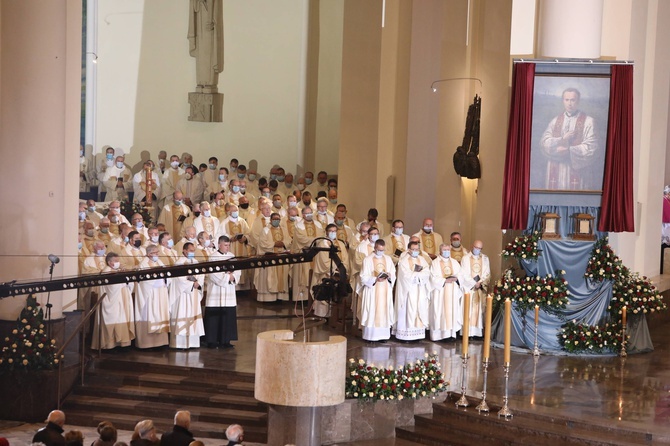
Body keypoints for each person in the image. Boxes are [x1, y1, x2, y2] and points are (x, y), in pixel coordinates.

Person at [540, 87, 599, 190]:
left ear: (578, 101)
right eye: (566, 100)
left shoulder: (588, 121)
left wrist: (569, 151)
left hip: (578, 170)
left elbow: (591, 147)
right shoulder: (555, 121)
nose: (569, 103)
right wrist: (561, 139)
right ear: (563, 101)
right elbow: (544, 142)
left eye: (573, 100)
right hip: (556, 169)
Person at [91, 253, 136, 350]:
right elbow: (112, 287)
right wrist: (123, 279)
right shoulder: (106, 272)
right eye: (115, 261)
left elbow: (128, 283)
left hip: (121, 300)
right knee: (114, 320)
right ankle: (110, 345)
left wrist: (125, 277)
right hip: (111, 301)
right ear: (109, 262)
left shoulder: (116, 271)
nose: (118, 263)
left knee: (122, 319)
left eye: (118, 260)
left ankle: (121, 344)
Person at [205, 236, 241, 348]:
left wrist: (232, 276)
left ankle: (226, 340)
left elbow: (238, 271)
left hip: (229, 291)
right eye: (225, 245)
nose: (227, 247)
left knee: (228, 315)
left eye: (228, 245)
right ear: (219, 244)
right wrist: (227, 277)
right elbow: (213, 274)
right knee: (214, 316)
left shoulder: (232, 257)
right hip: (216, 291)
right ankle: (212, 341)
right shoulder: (213, 257)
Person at [168, 243, 205, 349]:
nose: (192, 253)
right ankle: (180, 344)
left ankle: (193, 343)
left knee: (193, 317)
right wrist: (191, 284)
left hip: (194, 293)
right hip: (183, 296)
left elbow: (201, 275)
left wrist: (199, 283)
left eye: (193, 250)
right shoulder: (179, 263)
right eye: (190, 250)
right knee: (182, 315)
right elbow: (179, 279)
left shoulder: (196, 262)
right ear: (184, 251)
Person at [358, 239, 396, 342]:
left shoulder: (388, 259)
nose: (381, 252)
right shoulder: (367, 260)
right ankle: (370, 336)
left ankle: (383, 336)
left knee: (384, 311)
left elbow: (393, 273)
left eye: (383, 250)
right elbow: (363, 277)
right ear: (375, 248)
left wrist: (389, 276)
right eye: (379, 249)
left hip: (385, 289)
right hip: (372, 290)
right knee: (372, 310)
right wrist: (375, 279)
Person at [393, 240, 431, 341]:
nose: (415, 251)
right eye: (413, 249)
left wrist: (417, 275)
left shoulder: (422, 259)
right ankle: (405, 335)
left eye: (417, 249)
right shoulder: (404, 260)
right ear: (409, 250)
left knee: (419, 309)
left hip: (419, 288)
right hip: (408, 290)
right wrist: (417, 275)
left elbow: (427, 272)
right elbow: (404, 275)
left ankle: (417, 335)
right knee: (407, 309)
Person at [134, 245, 170, 349]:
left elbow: (167, 275)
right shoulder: (143, 264)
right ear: (149, 254)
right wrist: (155, 279)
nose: (157, 255)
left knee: (160, 314)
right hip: (149, 295)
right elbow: (143, 282)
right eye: (155, 253)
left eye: (158, 252)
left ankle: (161, 342)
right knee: (149, 314)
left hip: (160, 294)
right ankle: (147, 344)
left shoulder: (160, 262)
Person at [429, 243, 464, 341]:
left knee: (451, 311)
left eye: (448, 249)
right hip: (440, 292)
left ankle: (450, 334)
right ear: (440, 251)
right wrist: (444, 281)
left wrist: (456, 279)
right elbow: (433, 277)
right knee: (440, 312)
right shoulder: (435, 263)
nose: (446, 251)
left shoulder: (454, 262)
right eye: (444, 250)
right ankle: (439, 336)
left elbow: (461, 275)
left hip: (452, 292)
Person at [188, 0, 223, 90]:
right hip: (199, 17)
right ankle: (200, 81)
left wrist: (212, 19)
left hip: (209, 20)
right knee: (201, 51)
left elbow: (216, 5)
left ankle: (210, 82)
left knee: (210, 50)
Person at [460, 239, 491, 338]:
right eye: (476, 247)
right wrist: (473, 283)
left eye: (480, 248)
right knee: (468, 310)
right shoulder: (465, 258)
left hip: (480, 288)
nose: (477, 249)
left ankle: (477, 333)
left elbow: (487, 273)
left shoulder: (485, 258)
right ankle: (467, 333)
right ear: (472, 246)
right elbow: (463, 273)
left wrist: (481, 283)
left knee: (479, 310)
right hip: (469, 289)